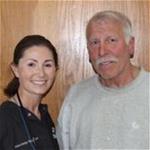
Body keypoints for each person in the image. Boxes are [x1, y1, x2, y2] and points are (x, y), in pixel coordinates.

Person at [56, 10, 150, 149]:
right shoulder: (76, 97)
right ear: (88, 51)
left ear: (130, 45)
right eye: (94, 42)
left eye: (111, 40)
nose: (102, 51)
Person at [0, 35, 59, 150]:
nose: (41, 73)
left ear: (55, 70)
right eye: (31, 64)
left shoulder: (44, 115)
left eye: (47, 65)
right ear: (15, 70)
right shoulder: (4, 118)